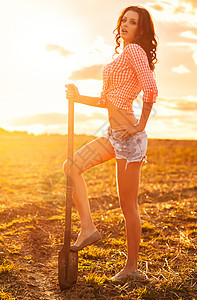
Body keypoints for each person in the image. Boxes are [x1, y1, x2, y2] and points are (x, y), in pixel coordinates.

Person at [64, 5, 158, 281]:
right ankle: (88, 228)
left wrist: (139, 125)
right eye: (124, 21)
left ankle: (131, 269)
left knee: (128, 206)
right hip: (113, 135)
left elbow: (151, 88)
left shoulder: (134, 51)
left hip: (129, 140)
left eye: (133, 22)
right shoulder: (120, 57)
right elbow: (106, 101)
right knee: (71, 166)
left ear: (141, 29)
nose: (126, 25)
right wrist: (78, 97)